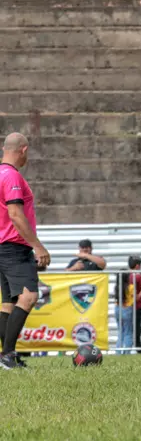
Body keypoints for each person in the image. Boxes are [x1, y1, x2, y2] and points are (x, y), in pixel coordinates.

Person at [0, 133, 50, 369]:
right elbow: (16, 214)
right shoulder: (12, 176)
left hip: (2, 247)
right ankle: (8, 356)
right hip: (14, 247)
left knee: (8, 303)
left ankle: (6, 356)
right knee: (29, 296)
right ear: (23, 149)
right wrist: (37, 246)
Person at [117, 256, 141, 354]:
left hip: (124, 307)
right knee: (135, 329)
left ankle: (120, 351)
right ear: (137, 266)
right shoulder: (138, 276)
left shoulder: (126, 275)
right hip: (136, 306)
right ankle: (137, 348)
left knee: (123, 330)